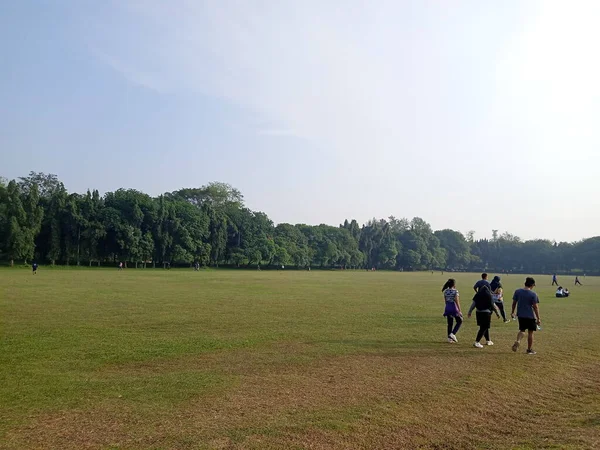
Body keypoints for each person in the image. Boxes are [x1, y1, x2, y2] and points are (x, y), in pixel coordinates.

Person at [511, 277, 541, 355]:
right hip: (530, 315)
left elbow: (514, 303)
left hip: (520, 315)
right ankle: (529, 349)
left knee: (522, 330)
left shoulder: (517, 292)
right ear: (532, 285)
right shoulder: (533, 294)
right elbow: (535, 307)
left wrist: (512, 312)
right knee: (530, 333)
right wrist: (538, 318)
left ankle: (518, 340)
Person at [442, 279, 463, 343]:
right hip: (453, 307)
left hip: (447, 307)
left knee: (450, 323)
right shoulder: (455, 291)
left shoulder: (445, 291)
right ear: (454, 285)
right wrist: (459, 310)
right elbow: (457, 301)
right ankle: (453, 334)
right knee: (460, 321)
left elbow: (445, 301)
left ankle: (449, 338)